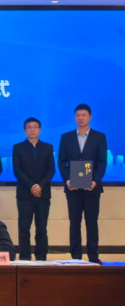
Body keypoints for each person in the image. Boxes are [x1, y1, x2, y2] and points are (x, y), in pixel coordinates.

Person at [58, 104, 107, 263]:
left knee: (91, 222)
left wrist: (95, 181)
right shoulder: (66, 137)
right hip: (72, 188)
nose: (80, 118)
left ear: (90, 117)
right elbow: (61, 162)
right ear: (75, 117)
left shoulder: (99, 137)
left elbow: (102, 162)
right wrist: (67, 179)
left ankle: (93, 255)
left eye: (83, 115)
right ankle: (76, 256)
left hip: (92, 188)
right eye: (77, 115)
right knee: (74, 222)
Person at [12, 117, 55, 261]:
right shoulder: (18, 148)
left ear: (40, 130)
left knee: (42, 228)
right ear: (25, 131)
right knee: (24, 228)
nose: (32, 130)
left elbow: (51, 170)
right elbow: (17, 171)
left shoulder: (48, 147)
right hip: (24, 194)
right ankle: (25, 257)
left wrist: (40, 185)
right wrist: (31, 186)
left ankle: (41, 256)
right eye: (29, 127)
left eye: (35, 127)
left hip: (43, 194)